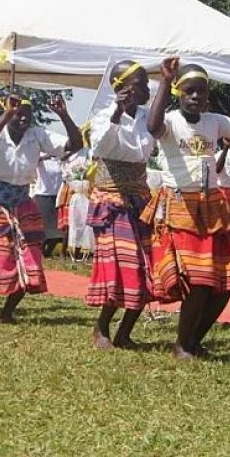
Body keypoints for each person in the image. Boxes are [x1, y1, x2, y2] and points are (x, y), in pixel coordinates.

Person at [146, 58, 230, 359]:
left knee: (224, 284)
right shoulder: (171, 121)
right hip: (181, 206)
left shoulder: (215, 121)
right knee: (199, 282)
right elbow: (152, 126)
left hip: (212, 206)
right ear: (178, 92)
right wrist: (163, 80)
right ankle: (181, 345)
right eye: (189, 91)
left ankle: (194, 341)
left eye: (201, 91)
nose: (196, 96)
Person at [0, 94, 82, 324]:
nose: (24, 117)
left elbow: (75, 145)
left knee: (31, 258)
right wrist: (5, 116)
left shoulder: (38, 135)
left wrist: (64, 115)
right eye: (18, 113)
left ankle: (8, 310)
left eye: (28, 113)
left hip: (23, 203)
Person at [85, 60, 155, 349]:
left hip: (140, 198)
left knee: (146, 267)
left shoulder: (150, 118)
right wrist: (116, 112)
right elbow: (100, 147)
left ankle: (125, 331)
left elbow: (145, 149)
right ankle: (101, 327)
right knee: (119, 265)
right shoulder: (103, 116)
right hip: (111, 201)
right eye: (142, 83)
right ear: (122, 87)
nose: (148, 88)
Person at [34, 154, 64, 256]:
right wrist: (46, 156)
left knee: (58, 230)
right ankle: (39, 251)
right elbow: (31, 160)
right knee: (43, 229)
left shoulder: (61, 159)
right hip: (43, 195)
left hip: (58, 196)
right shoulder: (41, 157)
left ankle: (47, 252)